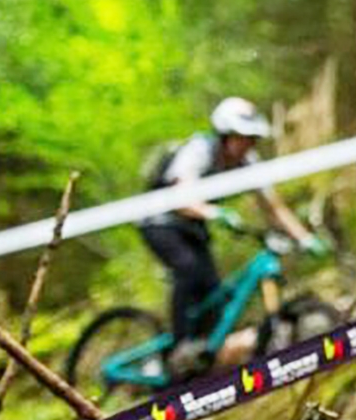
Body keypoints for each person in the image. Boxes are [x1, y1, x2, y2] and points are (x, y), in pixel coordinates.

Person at [137, 96, 327, 374]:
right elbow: (181, 198)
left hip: (193, 226)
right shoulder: (199, 149)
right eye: (242, 138)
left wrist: (304, 238)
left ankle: (197, 359)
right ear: (225, 135)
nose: (247, 145)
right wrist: (216, 214)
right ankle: (179, 347)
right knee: (189, 269)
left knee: (213, 292)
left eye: (252, 139)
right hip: (159, 221)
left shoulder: (248, 162)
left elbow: (273, 207)